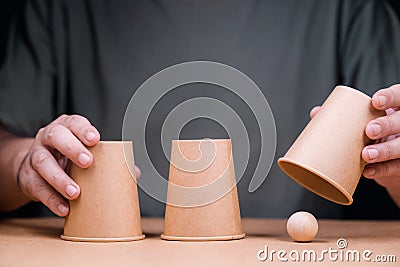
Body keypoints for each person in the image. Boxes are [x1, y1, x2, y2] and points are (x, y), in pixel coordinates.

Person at [0, 0, 399, 219]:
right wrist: (22, 163)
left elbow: (391, 139)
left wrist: (393, 166)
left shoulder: (351, 9)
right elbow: (6, 141)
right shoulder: (55, 9)